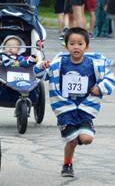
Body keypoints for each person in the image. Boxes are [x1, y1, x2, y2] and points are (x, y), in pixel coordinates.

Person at [42, 27, 115, 177]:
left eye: (80, 44)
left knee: (86, 139)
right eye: (72, 43)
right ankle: (67, 164)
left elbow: (110, 78)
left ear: (86, 47)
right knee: (72, 140)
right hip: (65, 109)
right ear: (66, 46)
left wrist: (100, 88)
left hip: (85, 108)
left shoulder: (94, 64)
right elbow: (42, 74)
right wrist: (42, 66)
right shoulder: (59, 63)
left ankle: (82, 132)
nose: (76, 47)